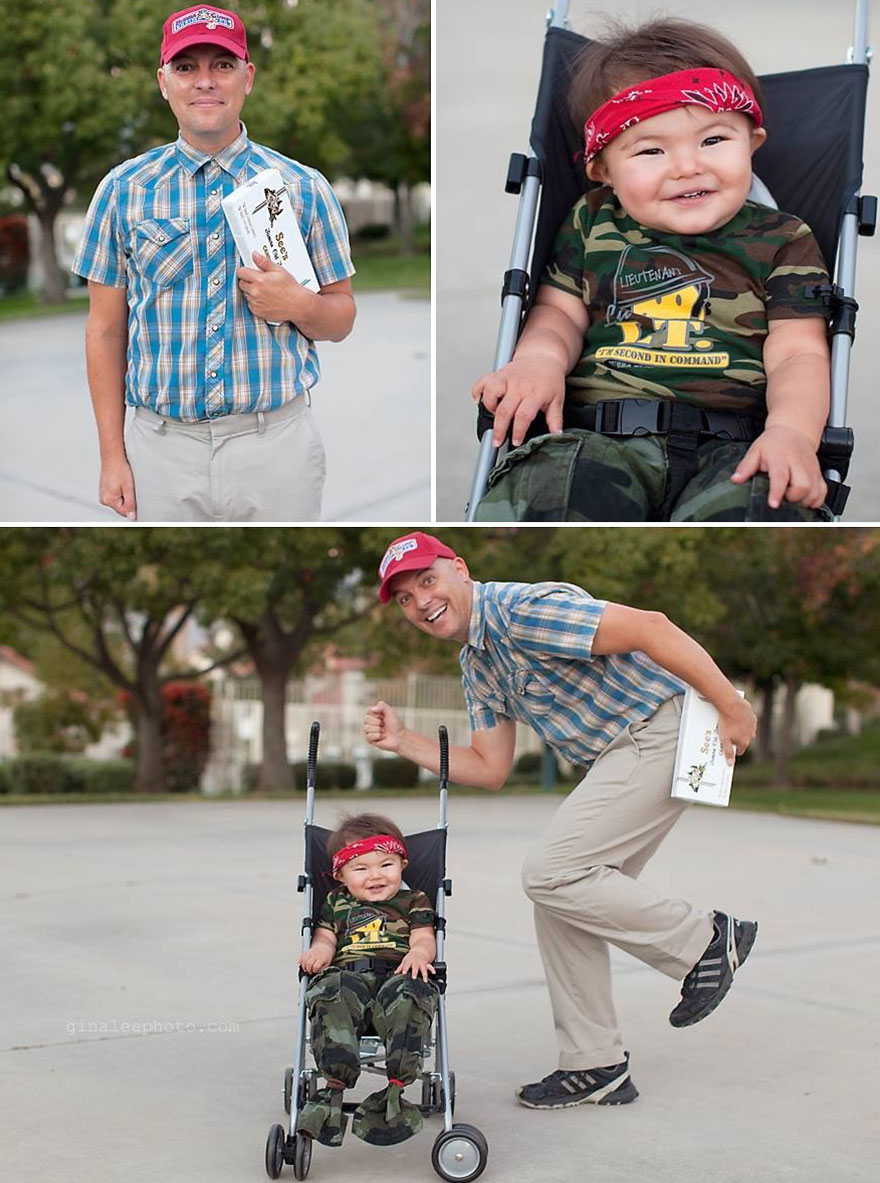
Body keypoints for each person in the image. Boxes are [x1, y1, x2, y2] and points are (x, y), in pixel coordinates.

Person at [364, 531, 759, 1110]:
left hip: (661, 731)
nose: (420, 602)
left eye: (427, 580)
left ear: (460, 569)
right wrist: (404, 742)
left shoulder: (523, 612)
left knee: (551, 871)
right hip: (625, 751)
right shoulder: (477, 662)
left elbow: (652, 626)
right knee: (562, 896)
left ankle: (706, 941)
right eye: (404, 597)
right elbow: (491, 767)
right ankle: (594, 1063)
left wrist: (730, 704)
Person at [472, 18, 832, 522]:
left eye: (713, 140)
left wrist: (792, 433)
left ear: (753, 141)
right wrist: (538, 363)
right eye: (651, 150)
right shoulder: (591, 221)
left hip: (735, 445)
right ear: (603, 170)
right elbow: (559, 314)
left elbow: (798, 353)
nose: (687, 166)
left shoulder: (783, 240)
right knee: (549, 490)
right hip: (596, 437)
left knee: (766, 505)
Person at [72, 5, 356, 522]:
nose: (205, 82)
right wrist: (112, 456)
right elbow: (105, 330)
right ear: (163, 82)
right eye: (186, 68)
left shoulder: (303, 188)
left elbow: (341, 317)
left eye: (222, 65)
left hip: (276, 447)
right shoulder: (122, 191)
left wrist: (298, 304)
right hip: (161, 450)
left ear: (248, 77)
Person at [296, 812, 438, 1146]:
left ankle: (394, 1092)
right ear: (341, 875)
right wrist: (319, 952)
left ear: (402, 864)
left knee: (412, 993)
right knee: (329, 990)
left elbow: (424, 937)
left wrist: (418, 954)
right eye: (361, 869)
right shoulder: (336, 902)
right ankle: (333, 1087)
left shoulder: (412, 899)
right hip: (349, 977)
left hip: (398, 974)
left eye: (386, 865)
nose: (375, 876)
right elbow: (326, 939)